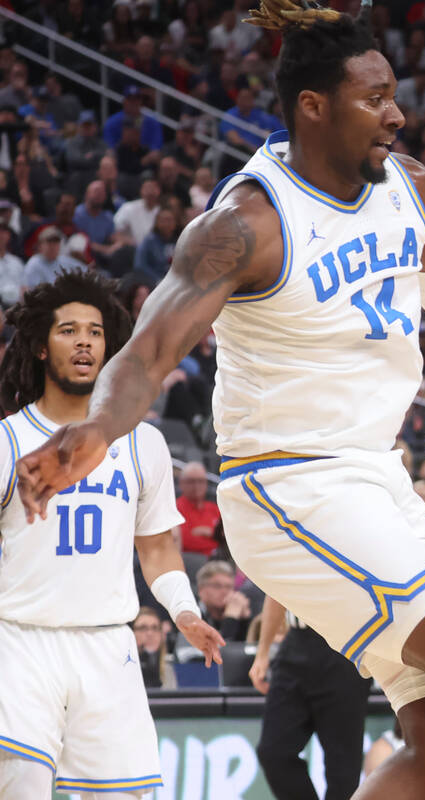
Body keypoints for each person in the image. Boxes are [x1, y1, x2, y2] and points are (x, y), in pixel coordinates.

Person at [14, 6, 425, 800]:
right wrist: (98, 427)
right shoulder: (247, 223)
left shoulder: (408, 186)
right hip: (288, 486)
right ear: (313, 106)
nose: (397, 114)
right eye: (374, 99)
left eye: (393, 95)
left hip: (374, 478)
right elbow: (148, 352)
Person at [0, 271, 223, 799]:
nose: (84, 341)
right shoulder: (9, 441)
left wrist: (184, 611)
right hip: (19, 640)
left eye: (95, 332)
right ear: (38, 347)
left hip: (107, 645)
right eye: (68, 330)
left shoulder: (143, 443)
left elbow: (158, 548)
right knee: (21, 787)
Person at [248, 597, 371, 800]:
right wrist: (263, 653)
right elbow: (274, 594)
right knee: (273, 753)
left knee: (343, 769)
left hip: (345, 647)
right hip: (296, 641)